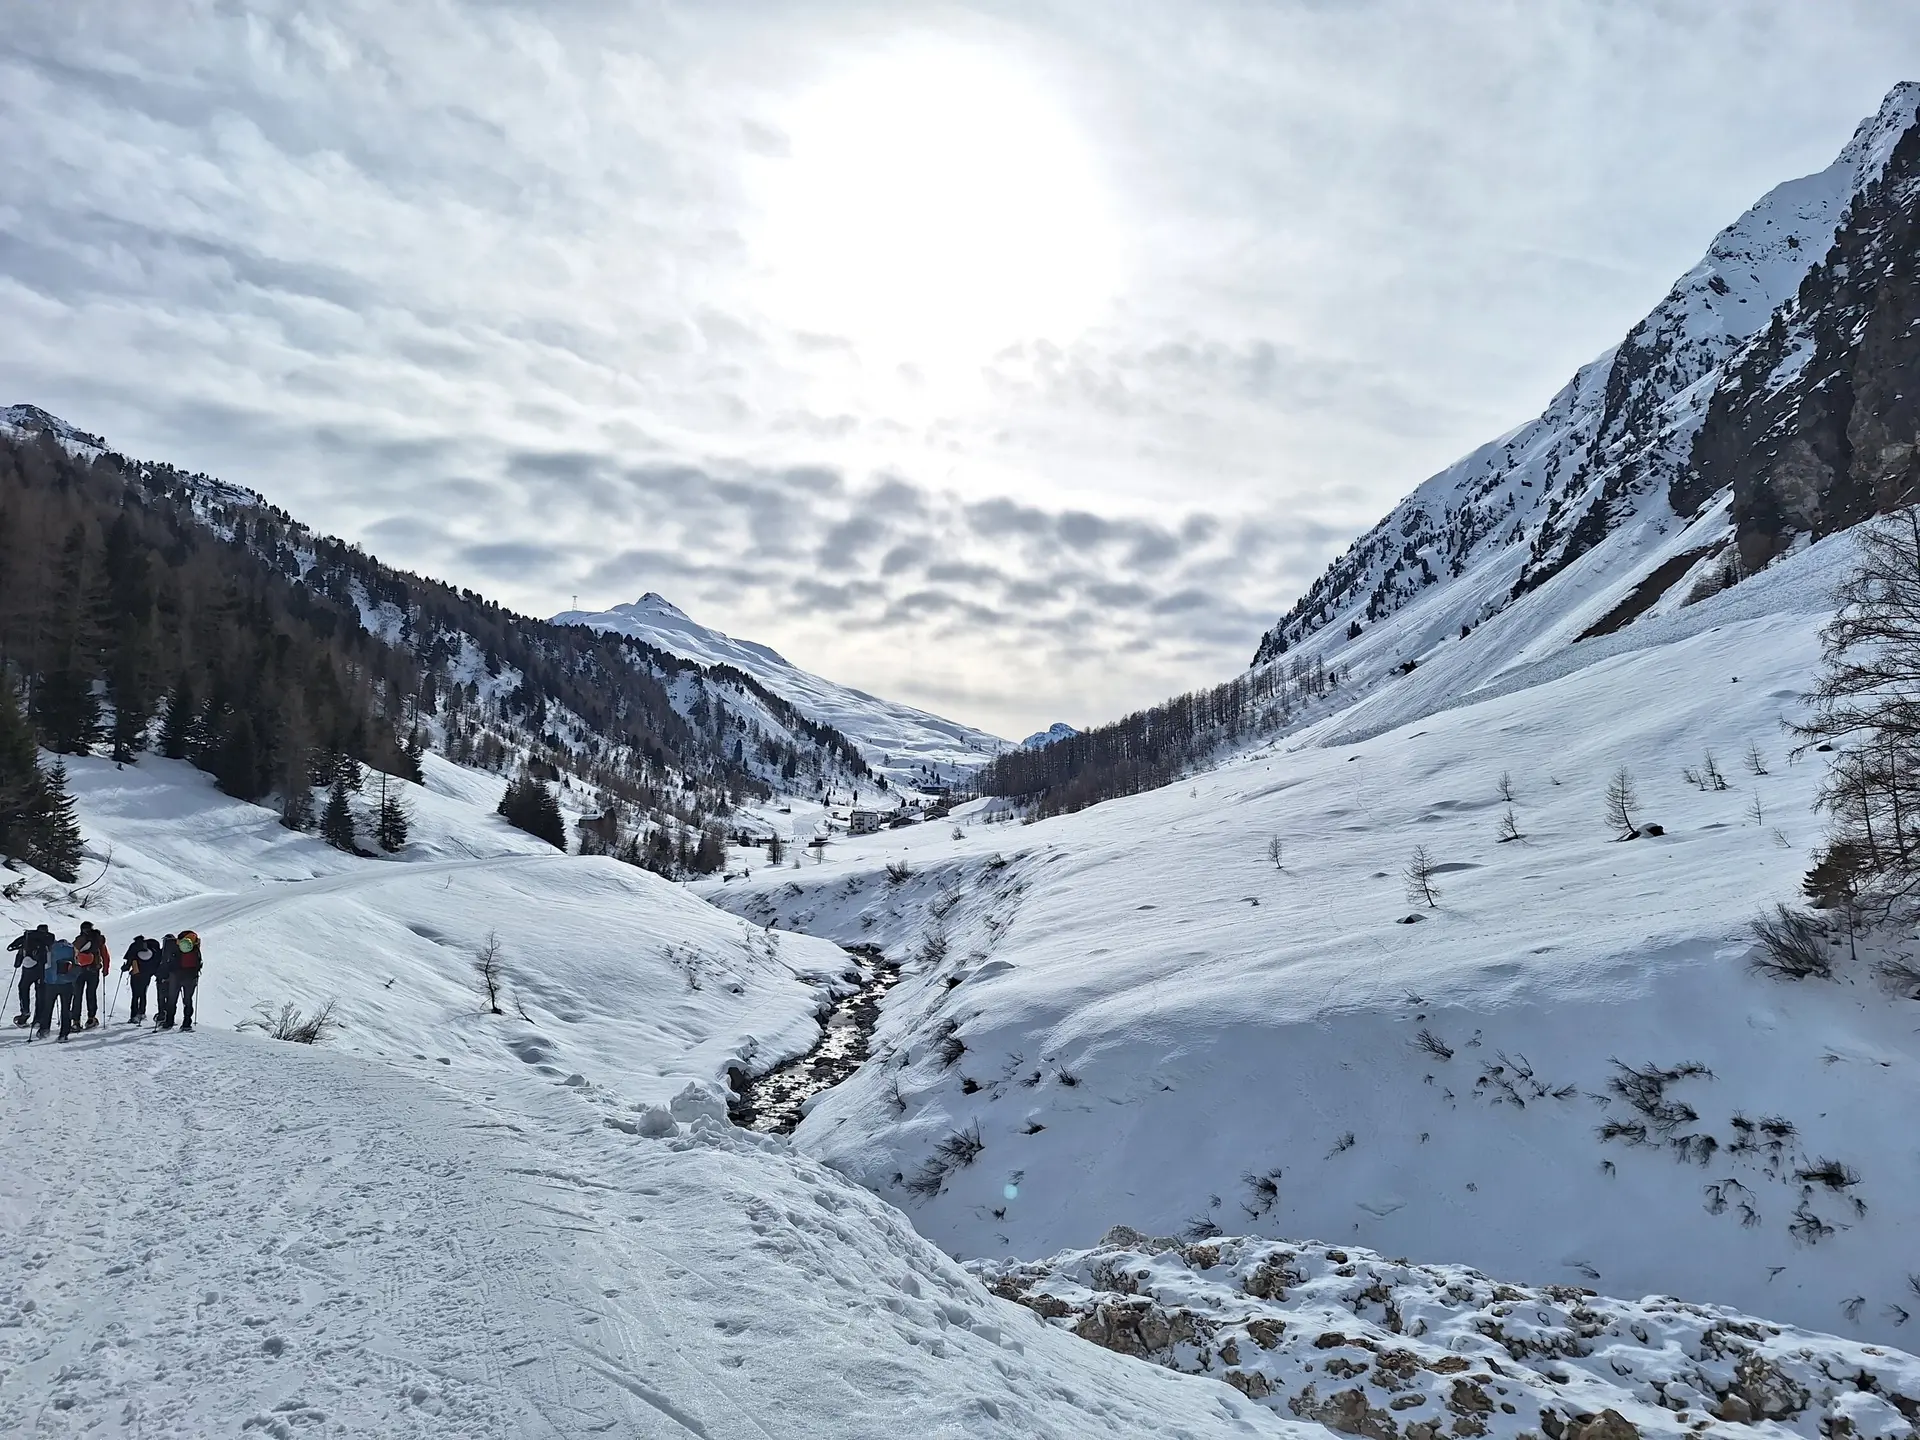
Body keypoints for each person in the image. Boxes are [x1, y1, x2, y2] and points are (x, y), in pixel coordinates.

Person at [9, 924, 50, 1027]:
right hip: (41, 969)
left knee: (23, 987)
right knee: (40, 993)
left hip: (28, 969)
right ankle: (38, 1019)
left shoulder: (28, 937)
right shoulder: (48, 938)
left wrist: (18, 962)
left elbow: (11, 947)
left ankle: (25, 1012)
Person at [72, 921, 110, 1029]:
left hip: (79, 970)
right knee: (91, 994)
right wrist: (105, 969)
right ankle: (91, 1018)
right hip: (94, 970)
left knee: (77, 995)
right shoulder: (98, 939)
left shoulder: (79, 940)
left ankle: (76, 1021)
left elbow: (72, 955)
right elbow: (105, 955)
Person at [42, 935, 79, 1042]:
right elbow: (77, 964)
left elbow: (46, 964)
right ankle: (64, 1034)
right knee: (66, 1009)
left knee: (47, 1007)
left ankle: (44, 1029)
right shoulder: (72, 949)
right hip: (67, 983)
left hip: (51, 982)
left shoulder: (51, 948)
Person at [122, 935, 158, 1024]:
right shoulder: (150, 947)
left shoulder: (134, 947)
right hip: (146, 975)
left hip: (136, 974)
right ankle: (141, 1013)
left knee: (135, 995)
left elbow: (129, 962)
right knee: (143, 994)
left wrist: (124, 968)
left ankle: (133, 1015)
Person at [174, 929, 204, 1032]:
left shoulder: (179, 948)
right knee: (188, 1000)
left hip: (179, 976)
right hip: (191, 977)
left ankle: (169, 1020)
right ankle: (187, 1022)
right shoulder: (196, 949)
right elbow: (199, 963)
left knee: (173, 999)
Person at [154, 934, 181, 1030]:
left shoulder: (162, 952)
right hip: (175, 979)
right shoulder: (179, 951)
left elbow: (155, 963)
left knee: (161, 998)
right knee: (171, 1000)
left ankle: (162, 1015)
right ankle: (170, 1019)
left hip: (161, 978)